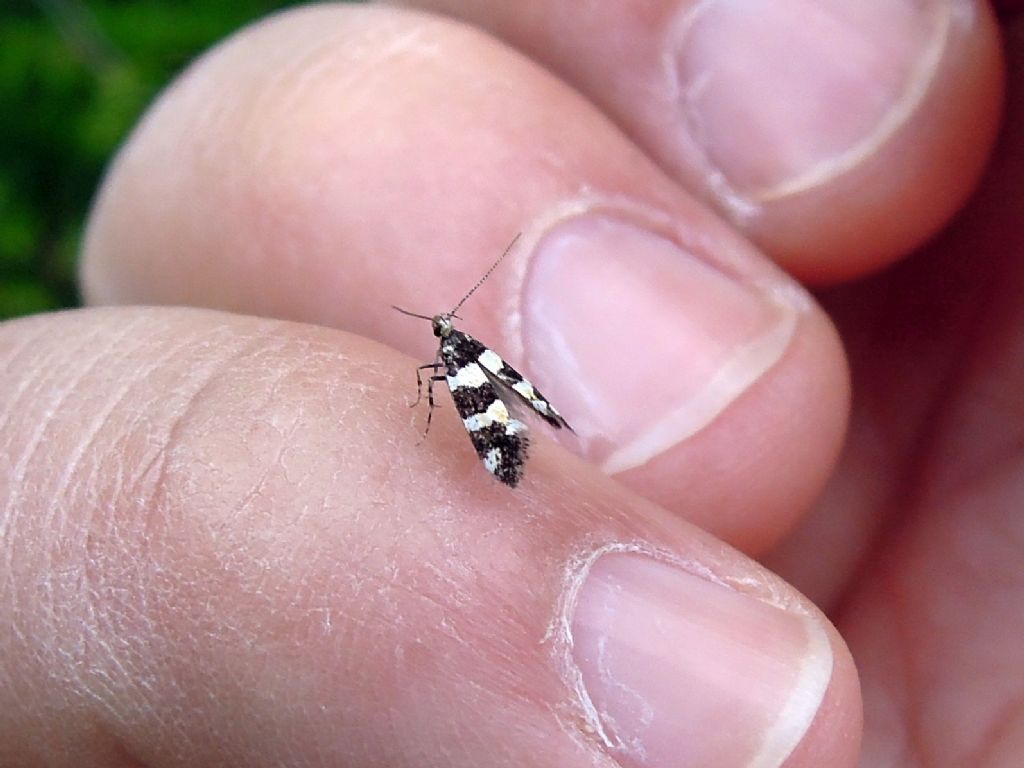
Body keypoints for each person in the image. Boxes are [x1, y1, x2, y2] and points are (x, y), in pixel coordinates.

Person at [1, 3, 1017, 766]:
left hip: (511, 424)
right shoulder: (459, 359)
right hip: (513, 427)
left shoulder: (458, 360)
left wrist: (468, 404)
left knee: (490, 413)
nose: (447, 343)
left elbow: (470, 388)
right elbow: (470, 389)